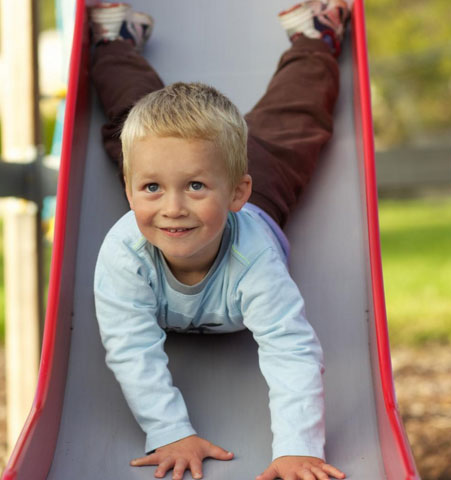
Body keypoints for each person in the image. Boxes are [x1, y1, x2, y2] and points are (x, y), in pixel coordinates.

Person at [91, 2, 350, 480]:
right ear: (127, 190)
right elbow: (130, 347)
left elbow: (290, 347)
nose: (173, 208)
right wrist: (169, 431)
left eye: (196, 187)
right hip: (176, 162)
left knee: (295, 123)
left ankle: (314, 39)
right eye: (150, 189)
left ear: (236, 192)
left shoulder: (252, 257)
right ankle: (114, 42)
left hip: (263, 186)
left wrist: (298, 447)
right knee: (129, 121)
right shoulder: (123, 254)